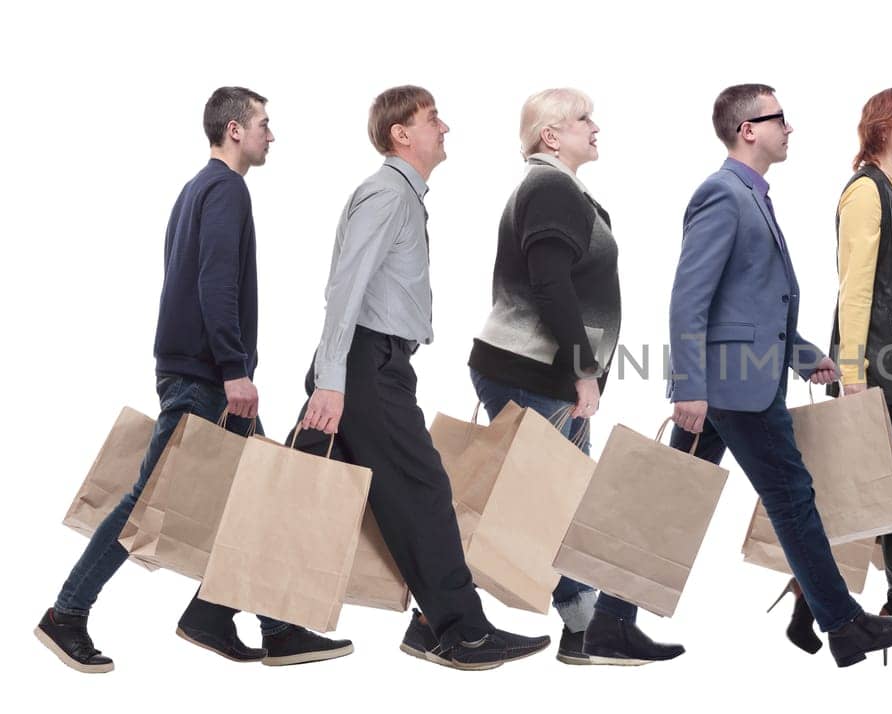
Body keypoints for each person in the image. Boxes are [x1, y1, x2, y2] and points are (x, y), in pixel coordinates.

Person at [35, 87, 351, 673]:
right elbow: (214, 283)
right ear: (234, 129)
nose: (269, 135)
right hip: (205, 378)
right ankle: (67, 614)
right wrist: (234, 369)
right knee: (144, 503)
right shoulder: (226, 189)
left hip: (196, 372)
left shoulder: (194, 190)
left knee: (255, 496)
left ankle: (253, 622)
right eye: (263, 123)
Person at [667, 83, 892, 667]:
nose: (790, 128)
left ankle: (607, 619)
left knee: (671, 496)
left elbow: (752, 303)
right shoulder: (722, 194)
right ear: (748, 130)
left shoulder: (752, 195)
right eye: (779, 118)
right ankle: (842, 624)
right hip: (732, 387)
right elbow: (689, 298)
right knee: (792, 497)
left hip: (740, 381)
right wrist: (689, 385)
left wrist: (807, 355)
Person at [291, 85, 546, 671]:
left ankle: (221, 609)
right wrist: (332, 378)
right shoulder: (387, 194)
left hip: (367, 362)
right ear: (401, 133)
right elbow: (345, 289)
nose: (445, 128)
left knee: (298, 487)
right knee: (424, 489)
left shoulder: (399, 195)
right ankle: (459, 629)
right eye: (433, 119)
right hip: (362, 364)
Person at [467, 87, 682, 666]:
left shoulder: (561, 189)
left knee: (558, 501)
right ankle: (455, 616)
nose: (596, 126)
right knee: (561, 503)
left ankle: (582, 629)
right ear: (550, 136)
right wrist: (583, 370)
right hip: (534, 373)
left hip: (537, 373)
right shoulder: (550, 187)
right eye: (583, 118)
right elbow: (550, 284)